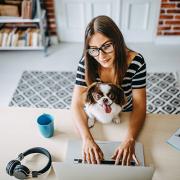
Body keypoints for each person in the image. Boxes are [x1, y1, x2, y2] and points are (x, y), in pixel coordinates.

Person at [71, 15, 146, 166]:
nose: (101, 56)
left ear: (117, 41)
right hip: (95, 115)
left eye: (106, 46)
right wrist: (87, 139)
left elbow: (140, 105)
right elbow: (76, 105)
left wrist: (130, 139)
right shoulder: (86, 62)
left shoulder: (136, 62)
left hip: (124, 115)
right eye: (94, 50)